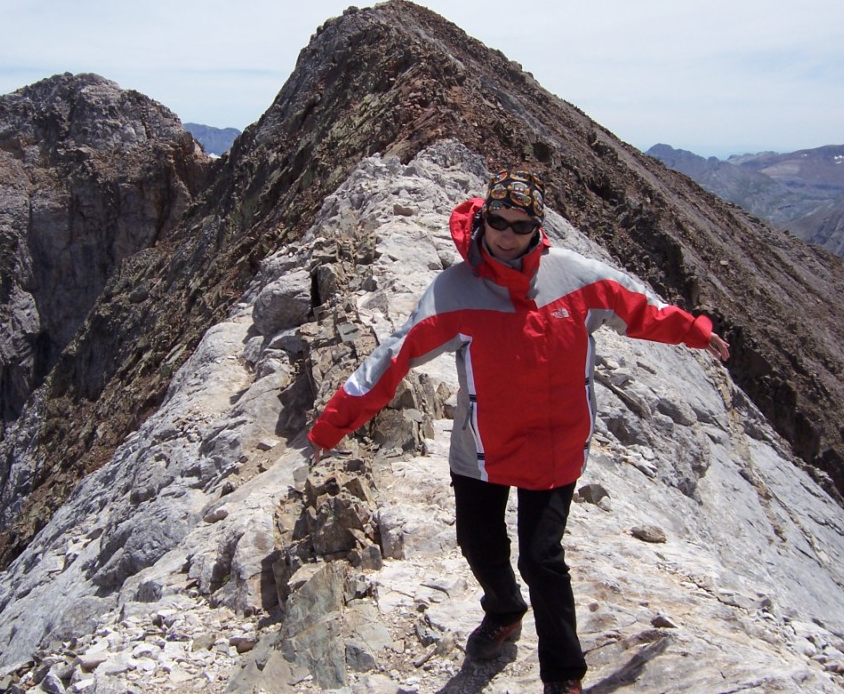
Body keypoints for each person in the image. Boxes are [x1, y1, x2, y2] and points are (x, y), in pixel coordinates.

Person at [307, 169, 730, 694]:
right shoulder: (453, 291)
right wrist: (331, 427)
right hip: (481, 449)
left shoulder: (575, 277)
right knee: (477, 543)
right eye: (497, 222)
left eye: (521, 225)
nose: (507, 234)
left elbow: (638, 308)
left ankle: (564, 676)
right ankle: (505, 609)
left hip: (555, 447)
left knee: (542, 559)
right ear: (482, 219)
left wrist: (694, 332)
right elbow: (394, 357)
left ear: (538, 228)